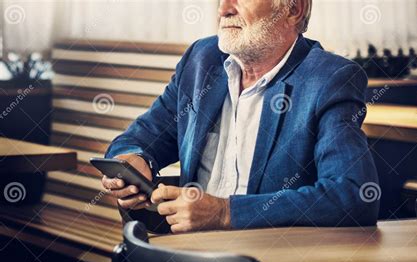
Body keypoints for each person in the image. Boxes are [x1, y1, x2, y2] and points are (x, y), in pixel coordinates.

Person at [102, 0, 379, 233]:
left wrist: (225, 213)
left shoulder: (329, 78)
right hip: (186, 253)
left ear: (294, 8)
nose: (223, 9)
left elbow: (354, 196)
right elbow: (139, 138)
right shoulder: (201, 60)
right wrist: (133, 160)